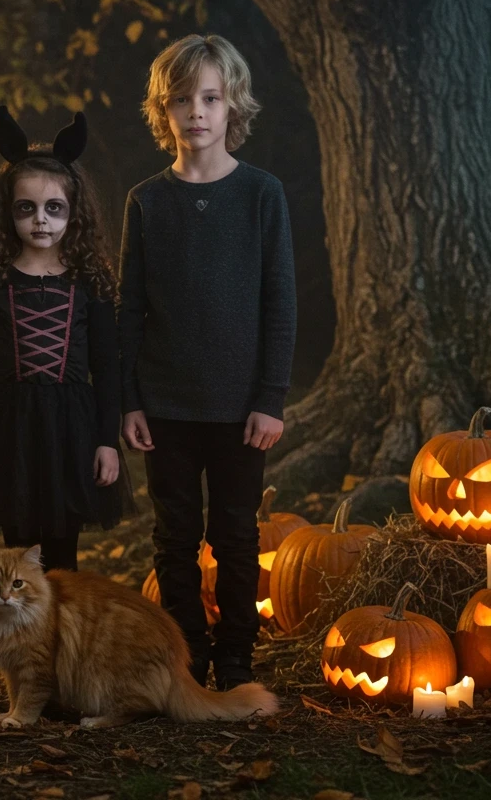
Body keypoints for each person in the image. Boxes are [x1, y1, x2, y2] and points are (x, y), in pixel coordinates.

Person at [118, 34, 297, 690]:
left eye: (211, 98)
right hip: (164, 405)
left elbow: (280, 303)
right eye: (183, 99)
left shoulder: (261, 194)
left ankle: (238, 656)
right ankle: (186, 651)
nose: (197, 111)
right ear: (164, 111)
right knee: (173, 536)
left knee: (236, 535)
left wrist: (270, 397)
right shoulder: (147, 200)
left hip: (239, 409)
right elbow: (128, 307)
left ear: (233, 106)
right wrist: (128, 399)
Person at [0, 106, 129, 572]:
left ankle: (61, 643)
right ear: (7, 212)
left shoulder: (89, 283)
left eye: (54, 208)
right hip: (8, 428)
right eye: (26, 208)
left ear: (73, 213)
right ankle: (21, 643)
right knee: (16, 553)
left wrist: (106, 440)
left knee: (62, 554)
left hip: (72, 430)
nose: (41, 220)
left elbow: (107, 366)